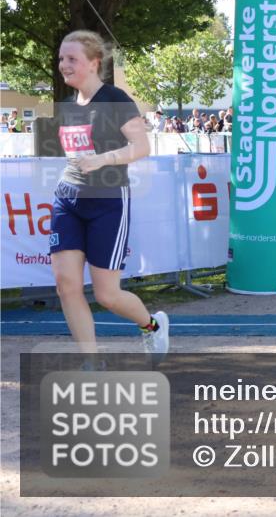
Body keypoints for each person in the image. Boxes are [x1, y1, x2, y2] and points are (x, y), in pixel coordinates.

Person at [49, 30, 169, 362]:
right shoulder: (70, 105)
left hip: (108, 202)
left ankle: (151, 326)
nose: (63, 65)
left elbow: (141, 147)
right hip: (68, 199)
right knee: (66, 285)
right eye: (61, 58)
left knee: (107, 295)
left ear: (94, 63)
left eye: (72, 59)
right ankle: (91, 361)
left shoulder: (115, 99)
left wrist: (104, 159)